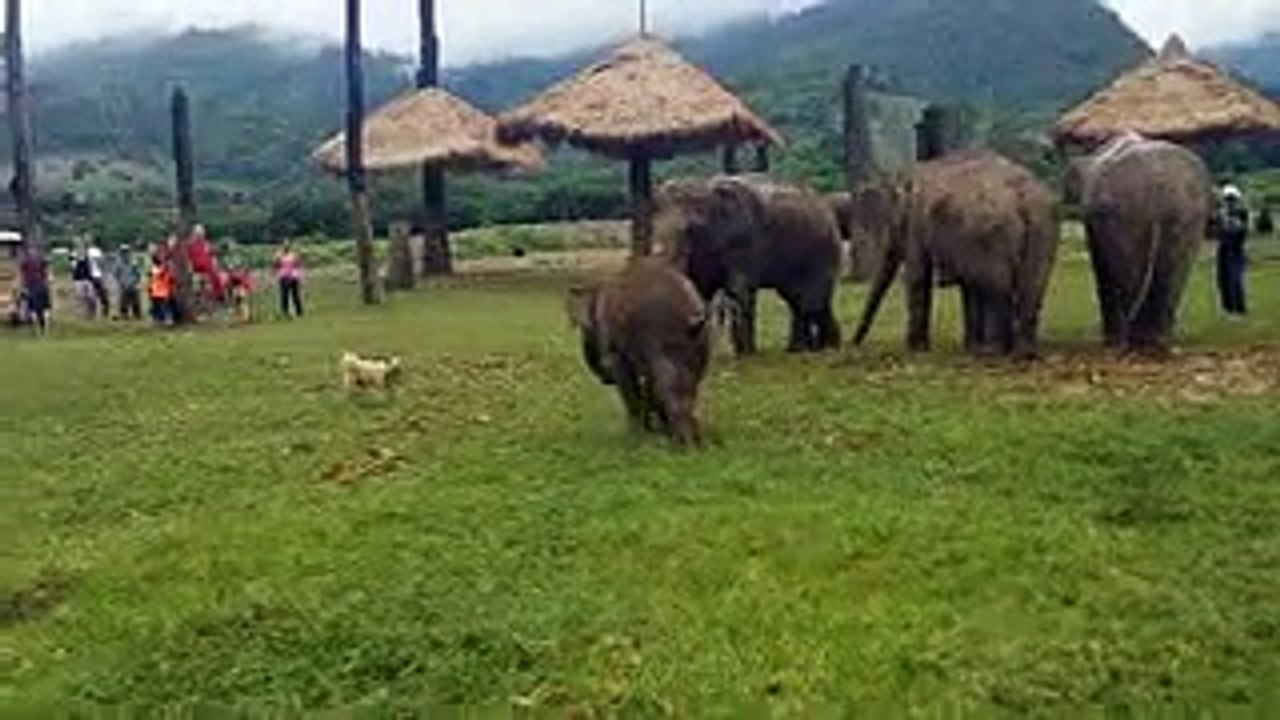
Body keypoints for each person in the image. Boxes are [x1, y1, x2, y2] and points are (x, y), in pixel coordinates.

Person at [1214, 184, 1250, 317]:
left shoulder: (1240, 212)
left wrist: (1225, 222)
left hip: (1235, 249)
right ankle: (1228, 308)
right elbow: (1218, 230)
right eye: (1227, 199)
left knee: (1234, 279)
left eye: (1230, 199)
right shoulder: (1224, 212)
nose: (1228, 202)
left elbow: (1239, 230)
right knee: (1222, 278)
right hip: (1224, 248)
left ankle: (1239, 308)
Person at [19, 245, 51, 335]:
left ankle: (42, 330)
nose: (32, 252)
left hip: (38, 286)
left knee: (39, 309)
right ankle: (40, 330)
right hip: (34, 286)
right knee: (37, 309)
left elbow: (47, 272)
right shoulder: (27, 262)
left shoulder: (28, 262)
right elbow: (23, 276)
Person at [275, 240, 304, 318]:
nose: (286, 247)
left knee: (295, 294)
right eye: (285, 246)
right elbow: (276, 265)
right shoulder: (279, 255)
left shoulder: (293, 255)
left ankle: (299, 311)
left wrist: (298, 274)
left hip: (293, 276)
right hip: (283, 276)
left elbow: (298, 264)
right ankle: (285, 311)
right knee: (284, 295)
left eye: (287, 246)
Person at [114, 244, 144, 320]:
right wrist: (121, 282)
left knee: (136, 301)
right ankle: (124, 315)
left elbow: (138, 273)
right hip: (124, 285)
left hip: (133, 284)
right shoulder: (118, 263)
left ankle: (137, 315)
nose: (125, 253)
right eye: (123, 252)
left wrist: (136, 281)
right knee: (123, 302)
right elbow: (116, 274)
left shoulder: (133, 262)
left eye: (126, 251)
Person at [70, 245, 99, 319]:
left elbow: (92, 268)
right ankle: (86, 313)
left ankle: (92, 312)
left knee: (91, 297)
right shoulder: (75, 259)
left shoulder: (88, 259)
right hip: (79, 280)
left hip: (88, 279)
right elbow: (73, 269)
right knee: (83, 298)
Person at [149, 252, 175, 325]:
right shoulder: (156, 269)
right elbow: (156, 276)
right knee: (158, 306)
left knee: (164, 306)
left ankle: (167, 319)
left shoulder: (162, 268)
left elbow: (170, 279)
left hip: (162, 291)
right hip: (158, 291)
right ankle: (160, 319)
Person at [86, 238, 110, 318]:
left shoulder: (90, 251)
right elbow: (101, 263)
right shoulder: (96, 251)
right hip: (98, 276)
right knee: (102, 295)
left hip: (92, 276)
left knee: (93, 296)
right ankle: (104, 312)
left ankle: (92, 313)